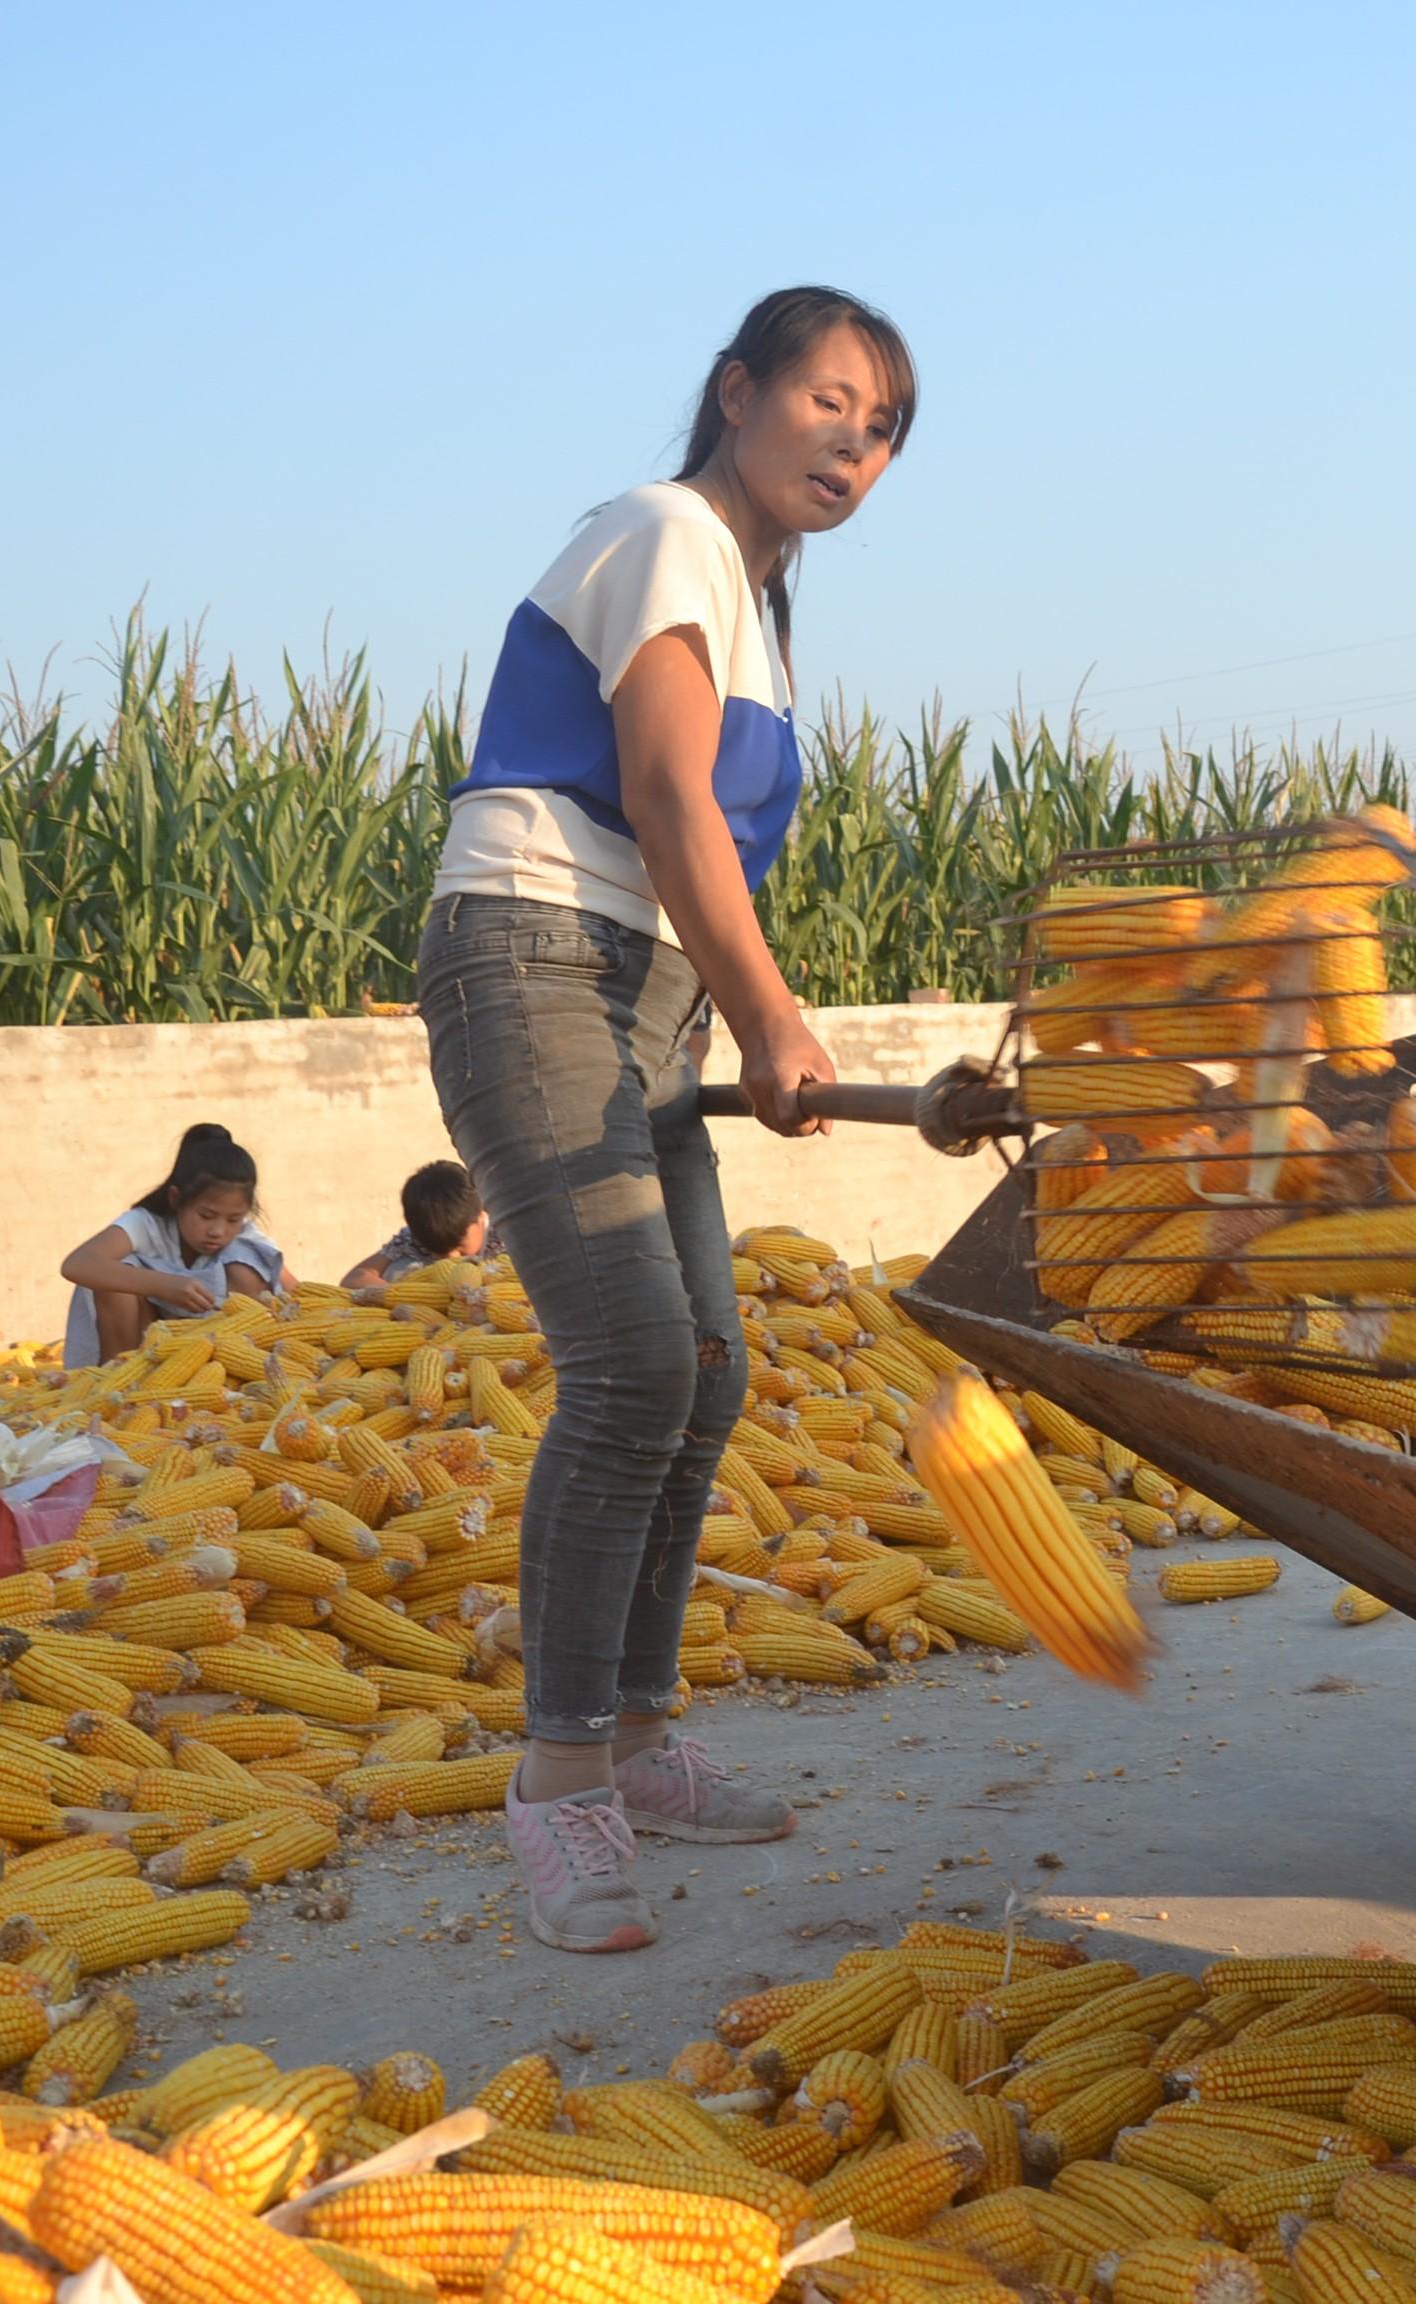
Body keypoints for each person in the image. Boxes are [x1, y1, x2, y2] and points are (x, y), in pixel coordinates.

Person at [420, 285, 913, 1951]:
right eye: (831, 398)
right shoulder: (663, 530)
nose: (858, 439)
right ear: (736, 393)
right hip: (535, 955)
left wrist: (732, 1015)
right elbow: (659, 796)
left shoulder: (767, 614)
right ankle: (556, 1785)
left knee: (709, 1363)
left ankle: (634, 1736)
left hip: (647, 999)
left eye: (887, 425)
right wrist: (775, 1015)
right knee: (632, 1359)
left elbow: (701, 843)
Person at [58, 1124, 286, 1367]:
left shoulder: (245, 1236)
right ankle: (116, 1375)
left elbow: (293, 1290)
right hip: (141, 1346)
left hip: (215, 1359)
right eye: (206, 1216)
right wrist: (166, 1286)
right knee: (115, 1280)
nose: (218, 1231)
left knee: (251, 1268)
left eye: (233, 1219)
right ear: (176, 1199)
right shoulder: (146, 1224)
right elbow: (77, 1264)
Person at [343, 1160, 489, 1292]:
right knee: (397, 1270)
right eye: (439, 1252)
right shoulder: (413, 1239)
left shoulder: (504, 1235)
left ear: (481, 1216)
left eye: (460, 1247)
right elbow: (355, 1278)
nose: (452, 1258)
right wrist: (401, 1295)